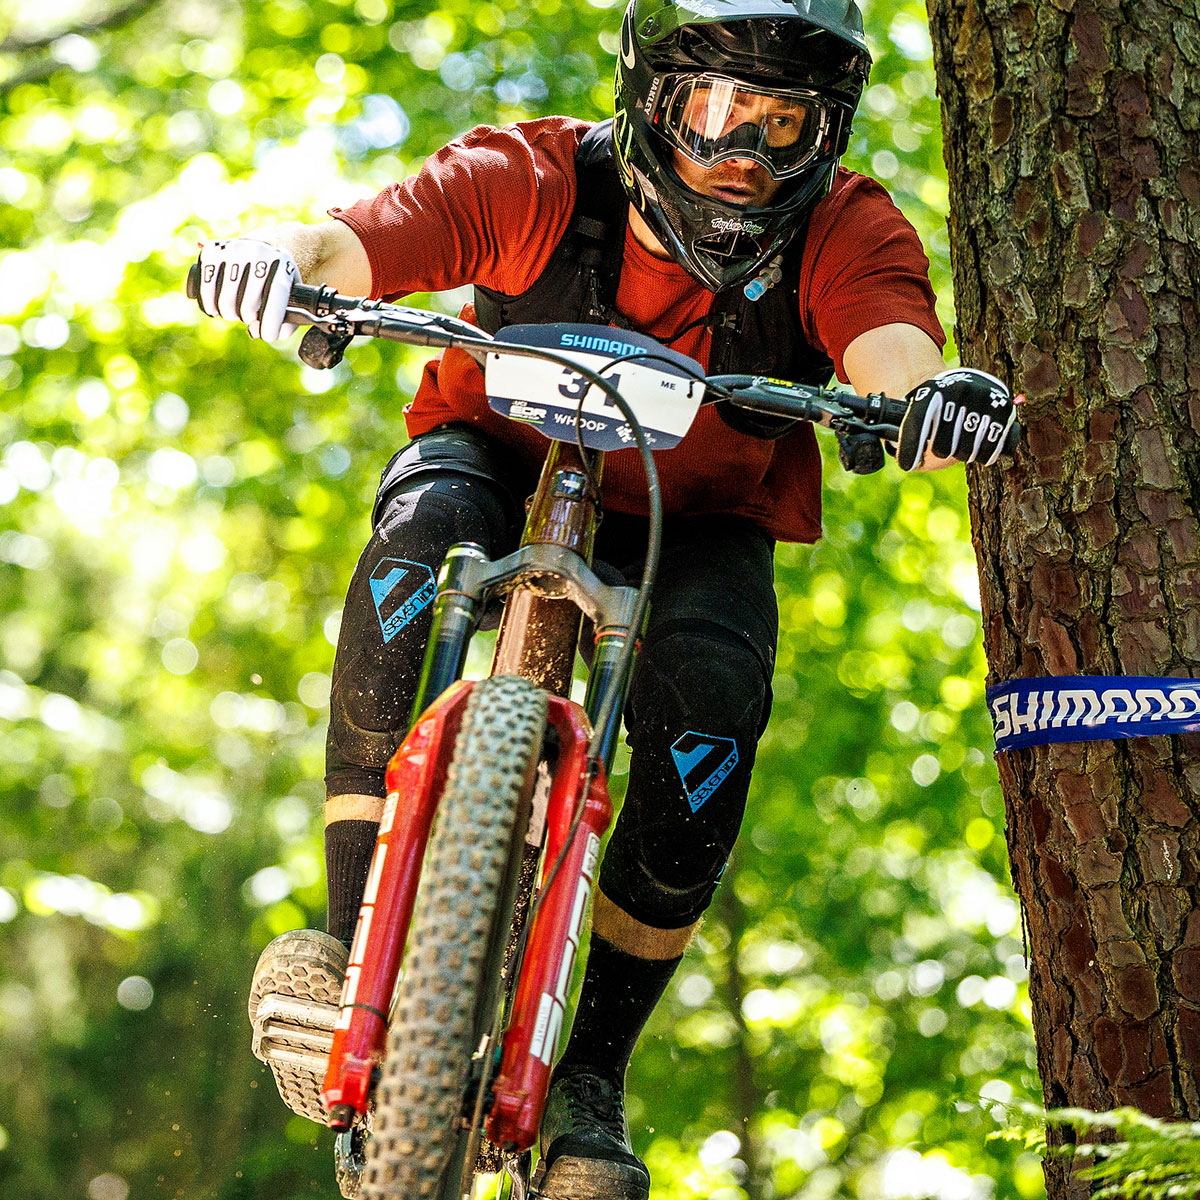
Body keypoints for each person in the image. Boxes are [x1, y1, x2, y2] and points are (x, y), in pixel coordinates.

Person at [201, 0, 1017, 1195]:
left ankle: (590, 1077)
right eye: (716, 111)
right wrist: (276, 260)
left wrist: (929, 400)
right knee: (414, 551)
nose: (744, 155)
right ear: (648, 94)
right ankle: (341, 944)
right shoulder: (530, 177)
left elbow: (891, 346)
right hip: (497, 451)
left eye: (782, 124)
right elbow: (345, 247)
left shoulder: (845, 227)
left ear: (826, 134)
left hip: (703, 514)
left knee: (711, 706)